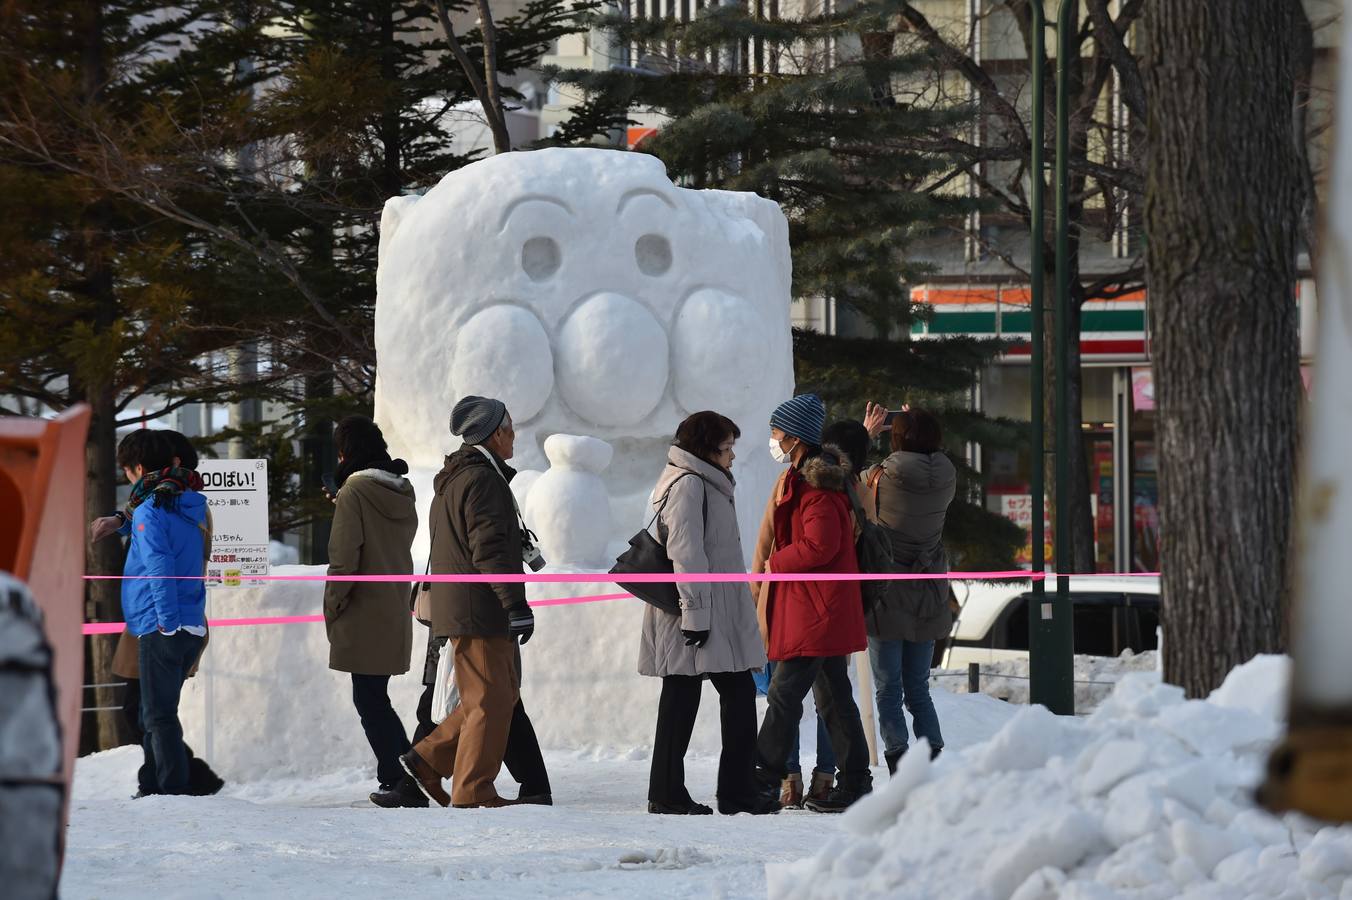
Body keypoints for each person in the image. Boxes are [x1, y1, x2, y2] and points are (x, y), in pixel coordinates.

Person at [373, 396, 540, 810]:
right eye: (510, 427)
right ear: (494, 433)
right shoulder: (482, 480)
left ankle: (427, 760)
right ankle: (473, 790)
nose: (514, 435)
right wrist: (514, 603)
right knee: (490, 701)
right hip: (479, 608)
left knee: (491, 697)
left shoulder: (459, 477)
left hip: (465, 605)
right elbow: (490, 550)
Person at [639, 411, 777, 816]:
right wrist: (695, 617)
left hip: (708, 612)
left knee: (713, 697)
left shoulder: (703, 483)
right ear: (705, 449)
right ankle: (689, 793)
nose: (732, 455)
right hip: (696, 614)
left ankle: (714, 792)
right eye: (726, 447)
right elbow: (687, 555)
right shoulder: (689, 486)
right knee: (696, 698)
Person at [751, 394, 873, 813]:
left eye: (777, 433)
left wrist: (775, 562)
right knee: (833, 699)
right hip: (820, 608)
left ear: (796, 438)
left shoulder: (818, 489)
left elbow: (821, 546)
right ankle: (856, 781)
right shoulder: (807, 480)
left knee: (784, 696)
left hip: (816, 611)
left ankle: (764, 780)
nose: (773, 440)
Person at [90, 430, 223, 797]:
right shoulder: (188, 502)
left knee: (154, 714)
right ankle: (161, 782)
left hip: (160, 622)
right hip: (188, 619)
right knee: (154, 712)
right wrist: (122, 520)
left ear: (136, 469)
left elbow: (159, 565)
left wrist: (165, 622)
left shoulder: (152, 510)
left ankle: (170, 786)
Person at [321, 416, 419, 803]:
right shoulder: (402, 490)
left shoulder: (354, 493)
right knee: (375, 694)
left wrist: (333, 605)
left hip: (361, 608)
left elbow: (344, 558)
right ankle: (403, 774)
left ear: (346, 452)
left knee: (369, 698)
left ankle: (403, 776)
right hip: (394, 604)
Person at [861, 406, 956, 771]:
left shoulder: (882, 477)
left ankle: (899, 759)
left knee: (888, 687)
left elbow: (847, 481)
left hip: (888, 593)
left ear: (895, 437)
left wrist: (868, 435)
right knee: (918, 687)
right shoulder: (948, 476)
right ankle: (931, 753)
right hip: (929, 589)